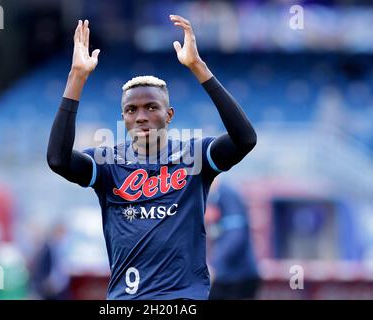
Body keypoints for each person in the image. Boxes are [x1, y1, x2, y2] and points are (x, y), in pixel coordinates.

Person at [47, 15, 257, 300]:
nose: (142, 117)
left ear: (169, 115)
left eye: (151, 107)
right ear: (123, 117)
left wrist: (198, 67)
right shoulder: (107, 162)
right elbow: (58, 160)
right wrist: (77, 77)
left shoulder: (194, 157)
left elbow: (245, 139)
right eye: (132, 110)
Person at [206, 183, 260, 300]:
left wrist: (214, 265)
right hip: (222, 279)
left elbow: (235, 235)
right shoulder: (205, 195)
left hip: (237, 279)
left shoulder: (226, 193)